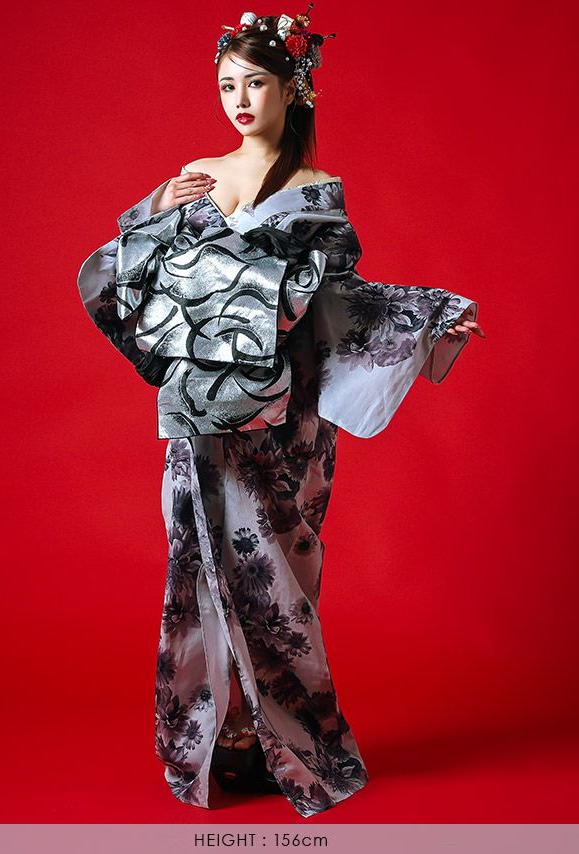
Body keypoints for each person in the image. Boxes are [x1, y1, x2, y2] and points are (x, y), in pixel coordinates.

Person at [76, 7, 485, 819]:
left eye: (255, 83)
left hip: (286, 419)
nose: (238, 99)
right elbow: (127, 276)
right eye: (226, 84)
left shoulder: (315, 194)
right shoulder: (196, 176)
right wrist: (153, 209)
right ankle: (222, 733)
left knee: (275, 577)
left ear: (293, 89)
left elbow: (340, 301)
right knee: (200, 566)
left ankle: (282, 742)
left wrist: (429, 317)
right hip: (200, 410)